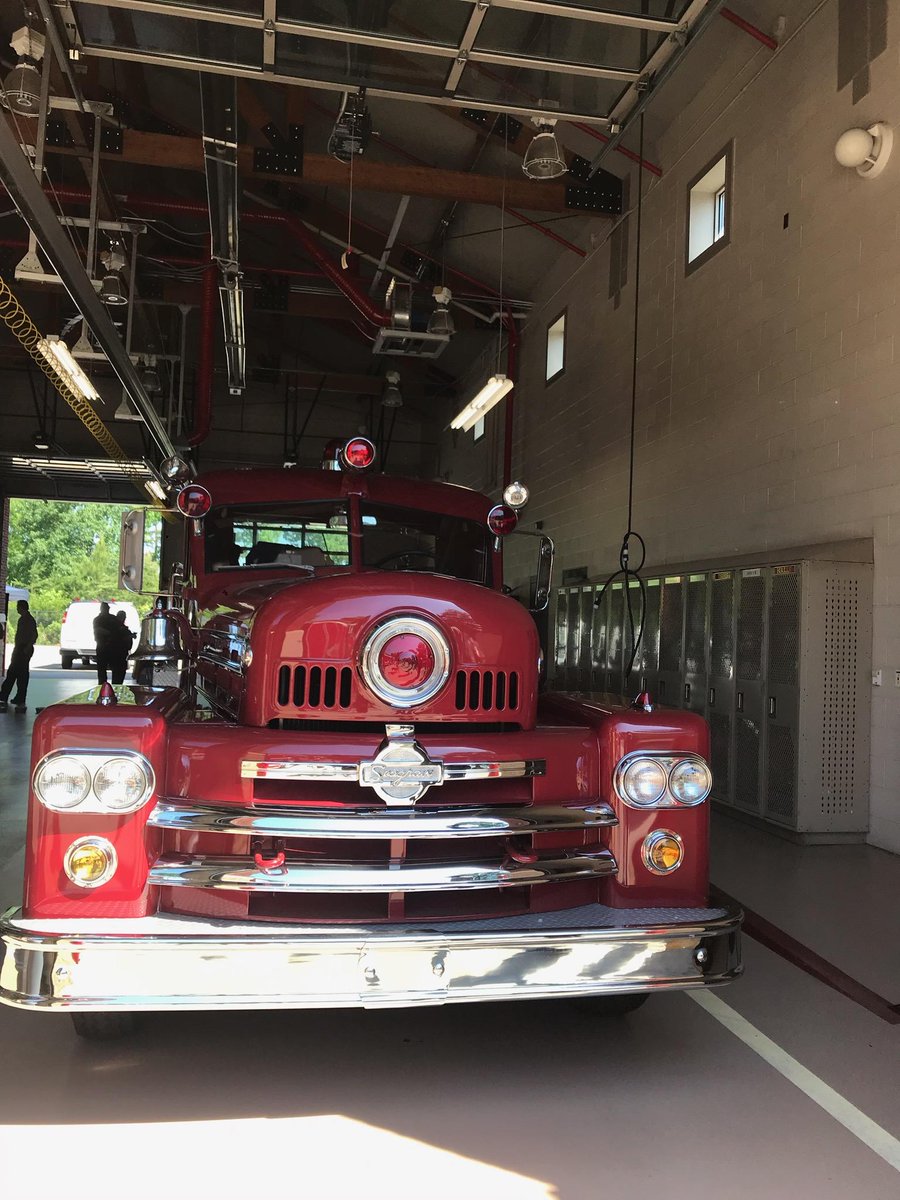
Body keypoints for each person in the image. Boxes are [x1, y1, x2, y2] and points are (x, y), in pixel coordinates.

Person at [0, 599, 38, 713]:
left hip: (23, 649)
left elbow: (34, 635)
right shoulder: (23, 619)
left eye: (18, 607)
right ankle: (18, 697)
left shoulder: (28, 620)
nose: (17, 609)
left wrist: (27, 647)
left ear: (22, 607)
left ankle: (5, 696)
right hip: (21, 649)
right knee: (19, 674)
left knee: (15, 674)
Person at [93, 602, 122, 685]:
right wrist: (111, 633)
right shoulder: (98, 619)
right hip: (102, 645)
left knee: (116, 669)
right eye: (105, 608)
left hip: (113, 647)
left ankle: (115, 686)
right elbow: (98, 630)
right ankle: (102, 686)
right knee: (101, 669)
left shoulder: (113, 618)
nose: (107, 609)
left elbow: (120, 628)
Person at [111, 609, 135, 685]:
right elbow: (117, 639)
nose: (123, 619)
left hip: (121, 653)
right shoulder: (116, 628)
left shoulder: (120, 627)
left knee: (119, 673)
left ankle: (117, 686)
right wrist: (129, 636)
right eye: (122, 617)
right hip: (118, 653)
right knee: (118, 673)